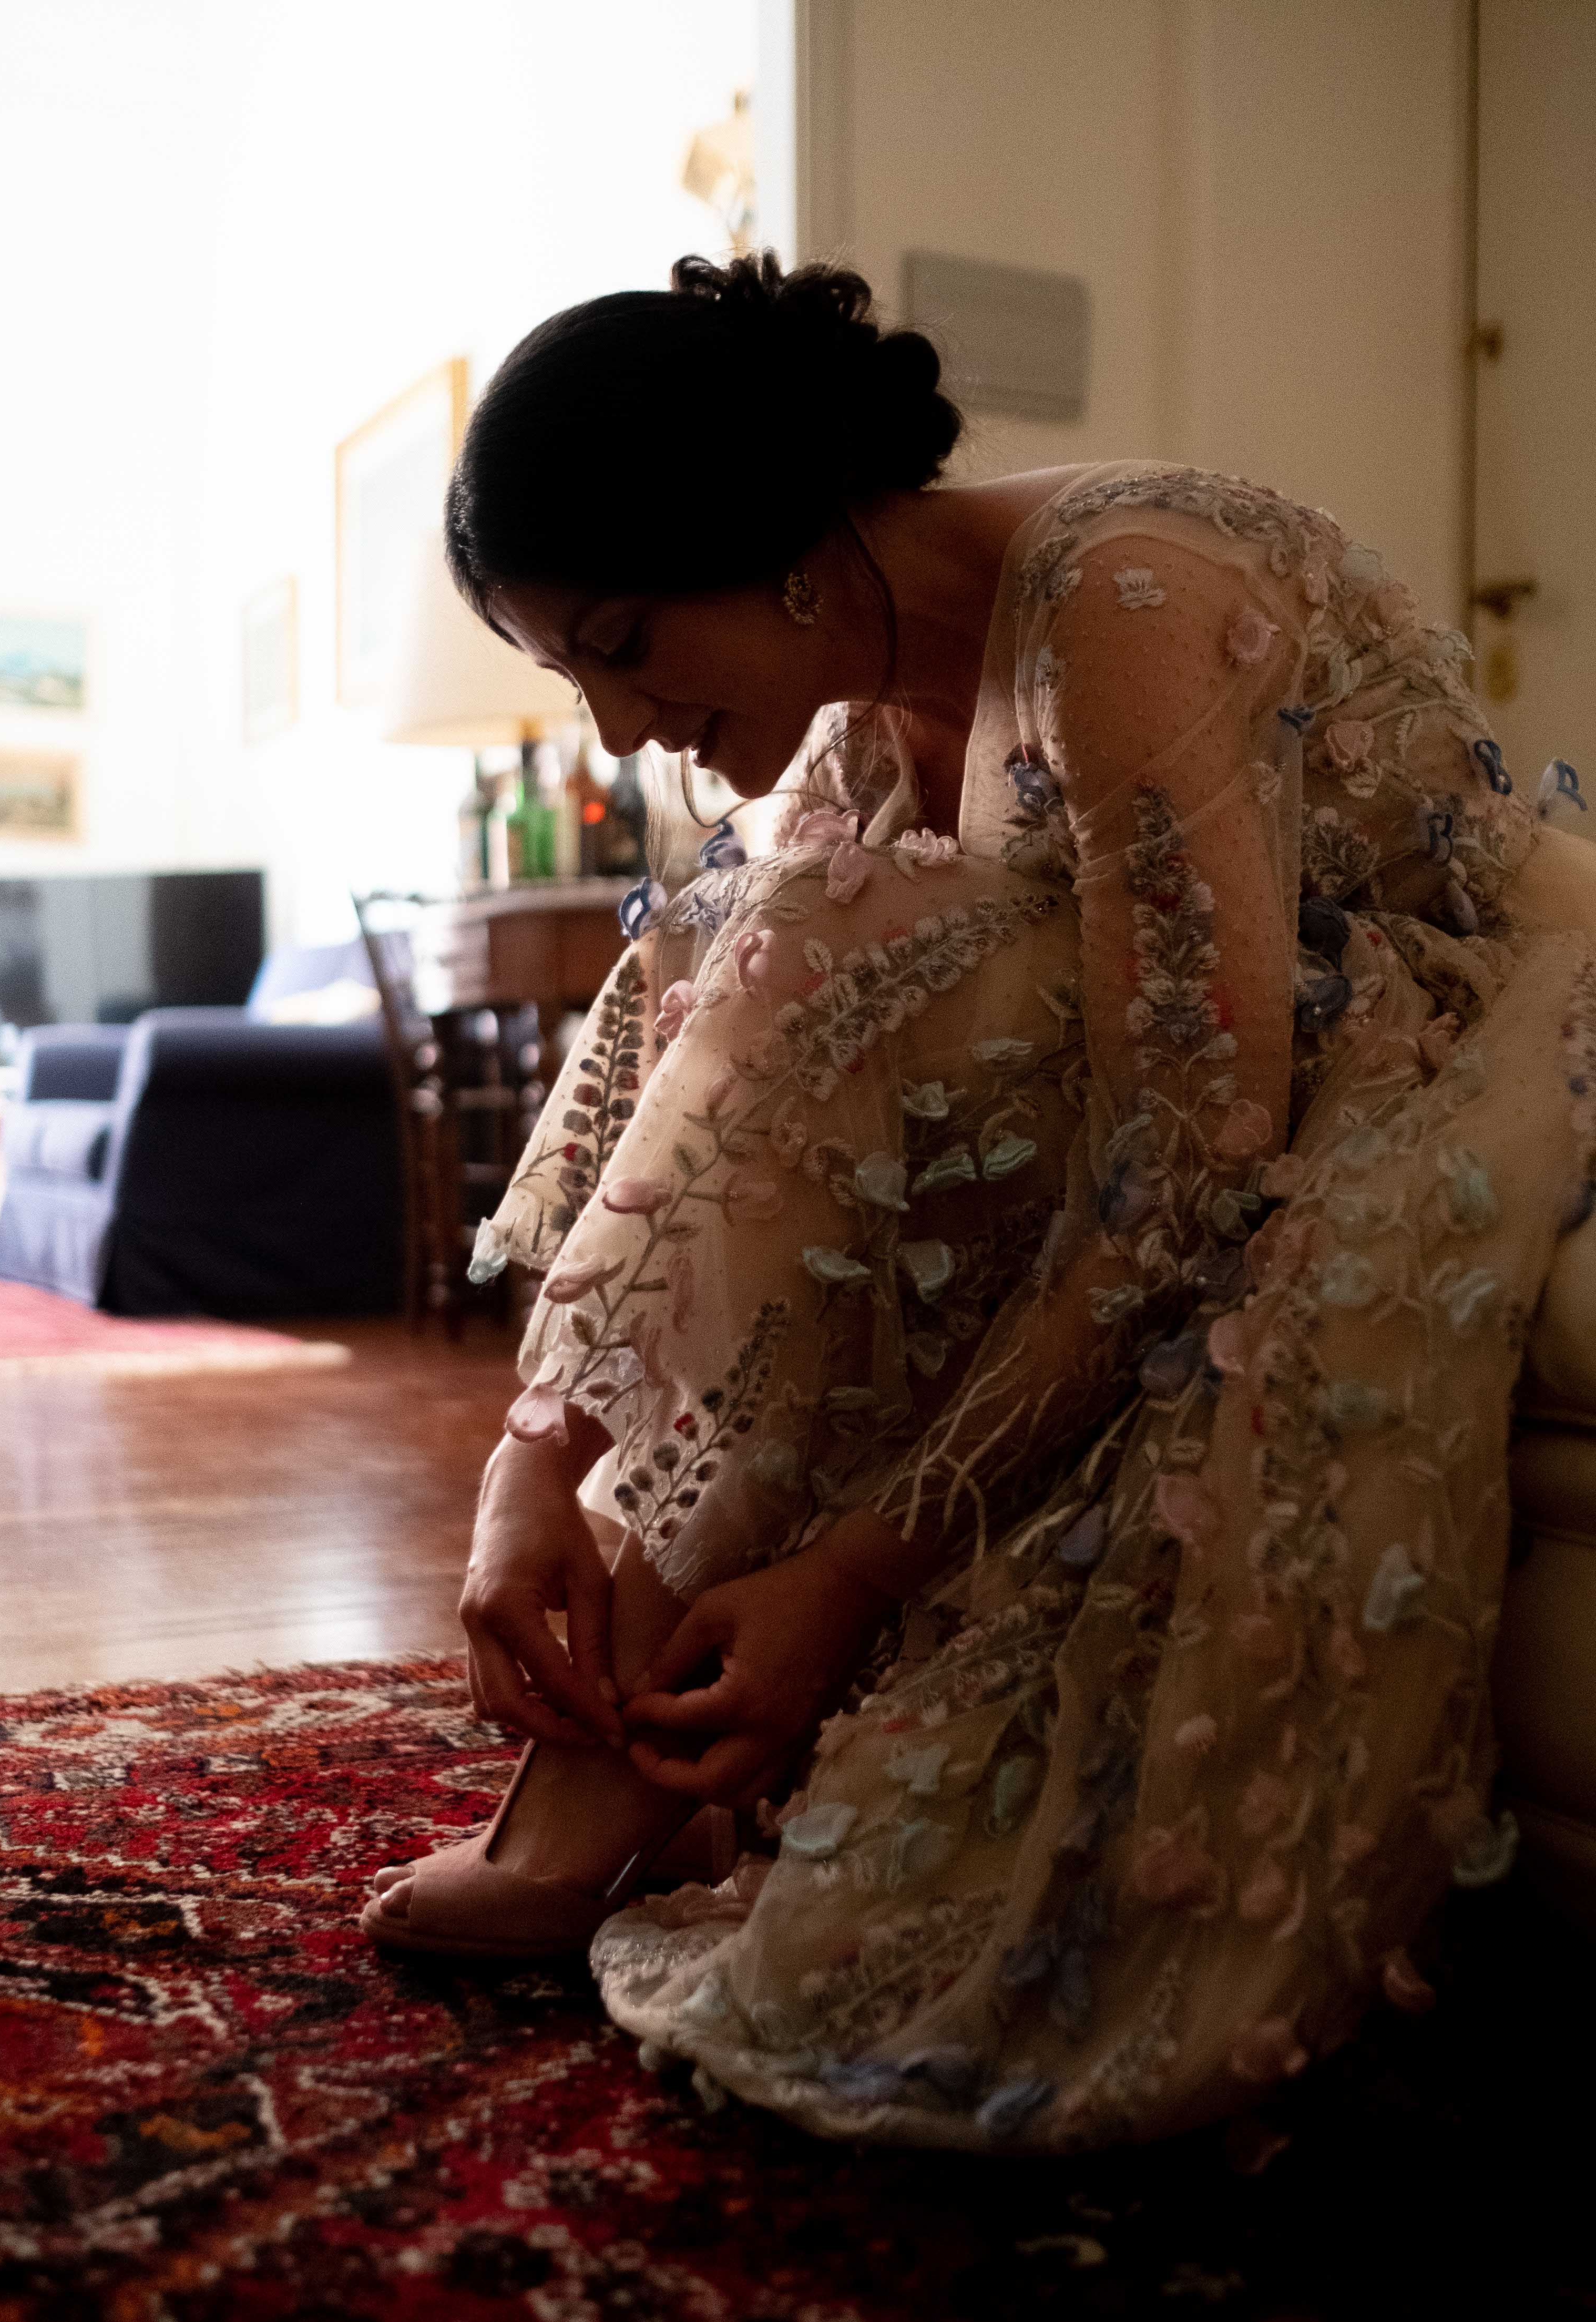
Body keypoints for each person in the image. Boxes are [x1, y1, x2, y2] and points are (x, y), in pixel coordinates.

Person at [362, 252, 1596, 2153]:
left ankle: (613, 1771)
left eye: (621, 642)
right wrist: (538, 1456)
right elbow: (699, 1082)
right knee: (766, 951)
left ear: (774, 539)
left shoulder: (1123, 598)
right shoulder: (859, 711)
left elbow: (1193, 1153)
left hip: (1393, 1041)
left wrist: (855, 1570)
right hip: (1150, 1102)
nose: (616, 731)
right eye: (571, 676)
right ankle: (620, 1732)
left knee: (880, 981)